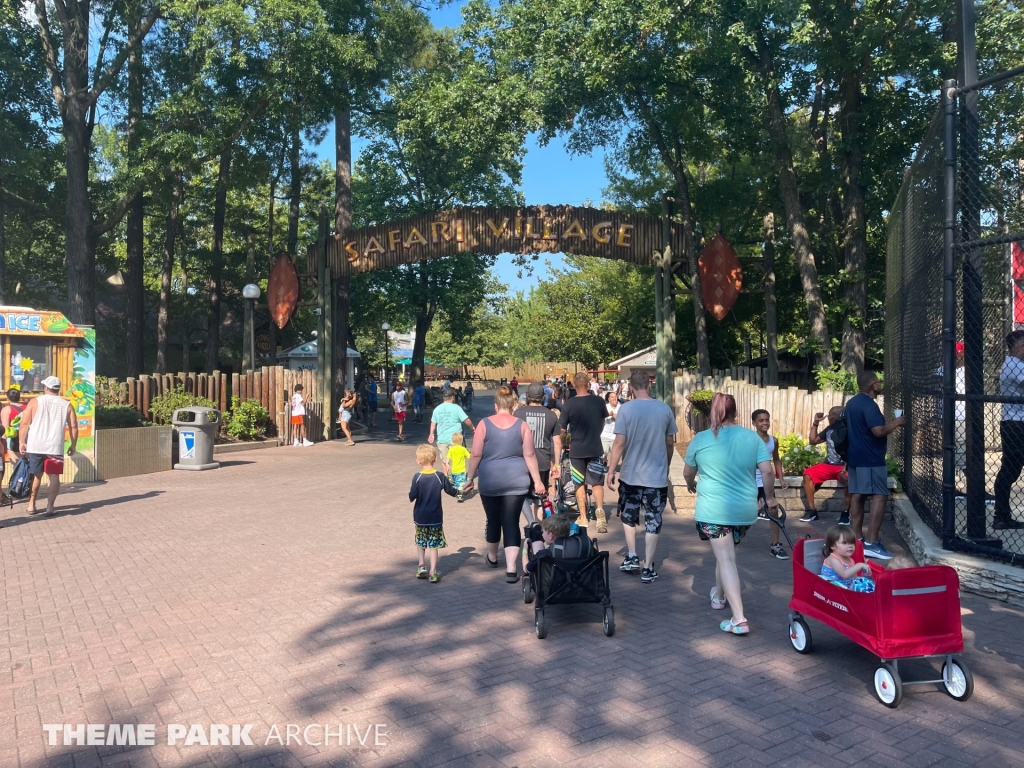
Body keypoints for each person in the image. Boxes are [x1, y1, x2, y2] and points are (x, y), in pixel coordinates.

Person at [683, 393, 777, 635]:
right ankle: (718, 596)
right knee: (725, 554)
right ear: (735, 411)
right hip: (744, 509)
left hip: (713, 509)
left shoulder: (701, 439)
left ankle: (739, 619)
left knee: (726, 558)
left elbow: (687, 473)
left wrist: (691, 483)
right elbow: (767, 472)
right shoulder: (752, 438)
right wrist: (771, 498)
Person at [464, 386, 545, 583]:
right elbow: (529, 454)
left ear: (495, 405)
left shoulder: (483, 424)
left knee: (493, 519)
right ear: (513, 405)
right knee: (511, 521)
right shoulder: (522, 425)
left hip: (490, 479)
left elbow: (476, 454)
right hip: (516, 480)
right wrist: (537, 480)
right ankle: (511, 569)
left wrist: (469, 478)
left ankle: (492, 557)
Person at [606, 369, 677, 582]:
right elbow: (670, 443)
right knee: (653, 520)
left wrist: (611, 470)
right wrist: (666, 466)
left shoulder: (626, 410)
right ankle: (648, 566)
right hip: (655, 476)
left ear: (630, 387)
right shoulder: (664, 409)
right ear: (649, 385)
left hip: (630, 475)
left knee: (629, 515)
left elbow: (619, 442)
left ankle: (632, 555)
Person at [845, 371, 906, 558]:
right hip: (870, 458)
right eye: (878, 382)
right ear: (874, 386)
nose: (880, 385)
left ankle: (857, 540)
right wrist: (896, 422)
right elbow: (878, 431)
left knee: (858, 495)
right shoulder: (869, 404)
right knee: (880, 495)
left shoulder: (851, 403)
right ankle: (871, 543)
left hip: (854, 457)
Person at [559, 371, 611, 534]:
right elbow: (602, 422)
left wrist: (564, 442)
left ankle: (583, 516)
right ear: (589, 384)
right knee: (597, 482)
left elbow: (562, 429)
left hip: (577, 449)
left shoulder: (569, 404)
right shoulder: (598, 402)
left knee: (579, 482)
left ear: (574, 385)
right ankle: (600, 511)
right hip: (595, 447)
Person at [19, 376, 78, 516]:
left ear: (46, 387)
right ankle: (50, 506)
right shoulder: (67, 405)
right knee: (54, 476)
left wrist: (22, 441)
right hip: (55, 446)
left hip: (35, 445)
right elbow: (74, 426)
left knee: (36, 476)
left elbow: (25, 423)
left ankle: (31, 504)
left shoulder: (34, 402)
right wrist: (73, 444)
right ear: (58, 389)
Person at [514, 381, 563, 522]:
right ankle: (539, 526)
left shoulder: (518, 414)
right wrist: (557, 465)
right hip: (542, 461)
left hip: (521, 461)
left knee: (521, 495)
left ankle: (531, 522)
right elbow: (557, 442)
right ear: (543, 397)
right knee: (540, 496)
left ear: (528, 396)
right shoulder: (552, 415)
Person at [409, 444, 457, 583]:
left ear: (418, 461)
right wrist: (461, 491)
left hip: (420, 516)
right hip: (435, 516)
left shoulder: (417, 477)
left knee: (420, 540)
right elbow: (451, 491)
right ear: (435, 458)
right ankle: (433, 572)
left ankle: (422, 565)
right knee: (434, 544)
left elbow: (412, 496)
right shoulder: (439, 476)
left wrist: (411, 494)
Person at [800, 407, 851, 524]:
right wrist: (815, 423)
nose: (828, 417)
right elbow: (813, 441)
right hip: (828, 465)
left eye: (831, 415)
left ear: (839, 416)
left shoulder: (849, 429)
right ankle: (812, 511)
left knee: (851, 480)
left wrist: (843, 471)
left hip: (845, 465)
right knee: (808, 474)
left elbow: (853, 452)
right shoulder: (829, 429)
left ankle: (846, 513)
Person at [994, 330, 1024, 530]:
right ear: (1015, 346)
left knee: (1011, 469)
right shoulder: (1014, 364)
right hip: (1016, 424)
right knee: (1010, 469)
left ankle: (1002, 516)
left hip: (1016, 422)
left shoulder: (1015, 364)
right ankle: (1001, 516)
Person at [751, 409, 790, 560]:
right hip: (748, 481)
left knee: (773, 510)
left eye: (767, 420)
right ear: (754, 423)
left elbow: (776, 459)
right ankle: (727, 540)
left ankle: (776, 545)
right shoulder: (750, 439)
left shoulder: (773, 440)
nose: (765, 423)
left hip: (766, 481)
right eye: (761, 420)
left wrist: (781, 478)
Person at [820, 526, 876, 593]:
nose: (850, 546)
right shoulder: (833, 559)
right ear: (832, 546)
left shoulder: (850, 560)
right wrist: (859, 565)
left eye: (852, 542)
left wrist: (864, 577)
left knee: (868, 584)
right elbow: (844, 574)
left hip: (845, 590)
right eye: (844, 543)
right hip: (832, 589)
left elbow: (854, 577)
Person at [428, 391, 475, 470]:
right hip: (455, 439)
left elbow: (433, 423)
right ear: (452, 397)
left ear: (443, 398)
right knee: (456, 458)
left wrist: (431, 434)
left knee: (444, 460)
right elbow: (466, 420)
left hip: (442, 438)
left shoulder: (437, 409)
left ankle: (446, 477)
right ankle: (456, 475)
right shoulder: (456, 408)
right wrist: (472, 427)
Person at [2, 387, 26, 467]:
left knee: (17, 465)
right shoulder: (27, 408)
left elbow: (5, 430)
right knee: (27, 464)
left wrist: (3, 445)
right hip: (27, 438)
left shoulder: (7, 409)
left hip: (13, 440)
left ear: (8, 397)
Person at [447, 433, 472, 501]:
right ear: (461, 441)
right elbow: (470, 457)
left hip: (454, 470)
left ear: (452, 441)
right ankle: (460, 496)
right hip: (461, 470)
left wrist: (447, 465)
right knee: (461, 484)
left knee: (456, 483)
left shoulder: (451, 449)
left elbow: (447, 459)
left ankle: (457, 493)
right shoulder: (463, 449)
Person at [600, 391, 620, 459]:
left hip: (616, 436)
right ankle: (602, 466)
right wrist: (607, 414)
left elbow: (621, 419)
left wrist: (613, 415)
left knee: (615, 456)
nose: (614, 398)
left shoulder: (621, 407)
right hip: (604, 434)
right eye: (612, 397)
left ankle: (612, 469)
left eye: (615, 397)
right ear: (609, 399)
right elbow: (600, 417)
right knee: (602, 454)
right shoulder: (605, 407)